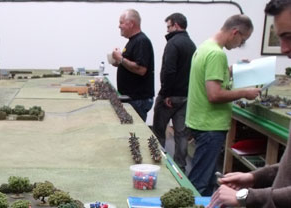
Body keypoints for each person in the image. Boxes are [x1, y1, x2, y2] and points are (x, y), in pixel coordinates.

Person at [208, 0, 291, 208]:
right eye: (280, 38)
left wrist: (245, 196)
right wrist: (254, 176)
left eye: (289, 37)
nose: (283, 49)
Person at [185, 15, 261, 196]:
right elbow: (214, 94)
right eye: (242, 40)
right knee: (200, 182)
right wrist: (245, 93)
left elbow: (210, 75)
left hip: (200, 121)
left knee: (205, 176)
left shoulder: (206, 47)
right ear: (235, 32)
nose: (240, 44)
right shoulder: (217, 54)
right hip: (210, 125)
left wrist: (233, 69)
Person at [152, 13, 196, 173]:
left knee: (159, 131)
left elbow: (169, 71)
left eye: (169, 26)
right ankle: (180, 167)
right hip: (185, 96)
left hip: (170, 96)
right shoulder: (191, 44)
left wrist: (166, 94)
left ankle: (157, 161)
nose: (167, 30)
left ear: (176, 25)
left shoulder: (173, 43)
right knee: (181, 134)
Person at [110, 9, 154, 122]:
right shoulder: (133, 41)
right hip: (132, 98)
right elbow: (130, 64)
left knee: (135, 130)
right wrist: (118, 61)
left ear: (131, 23)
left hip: (138, 99)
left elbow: (141, 69)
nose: (119, 26)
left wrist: (121, 59)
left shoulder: (141, 41)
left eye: (121, 23)